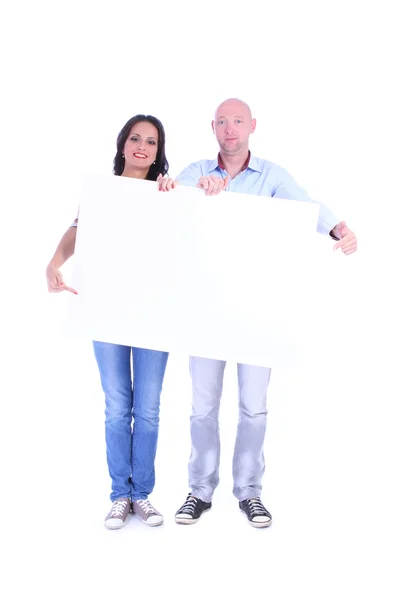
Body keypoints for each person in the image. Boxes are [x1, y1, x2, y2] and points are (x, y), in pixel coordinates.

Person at [165, 98, 358, 528]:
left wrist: (339, 229)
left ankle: (250, 491)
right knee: (202, 409)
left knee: (254, 408)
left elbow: (306, 207)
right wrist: (195, 193)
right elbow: (170, 205)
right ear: (211, 128)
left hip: (256, 310)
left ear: (253, 125)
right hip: (205, 309)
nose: (229, 129)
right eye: (222, 122)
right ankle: (199, 491)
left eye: (237, 121)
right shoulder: (197, 172)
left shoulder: (272, 176)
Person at [46, 114, 173, 529]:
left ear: (159, 152)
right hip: (106, 309)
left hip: (154, 312)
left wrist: (175, 197)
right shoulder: (100, 191)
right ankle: (121, 494)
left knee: (148, 408)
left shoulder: (168, 193)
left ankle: (143, 495)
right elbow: (77, 230)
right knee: (118, 406)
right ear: (122, 144)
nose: (142, 146)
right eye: (135, 138)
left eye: (151, 142)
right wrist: (54, 263)